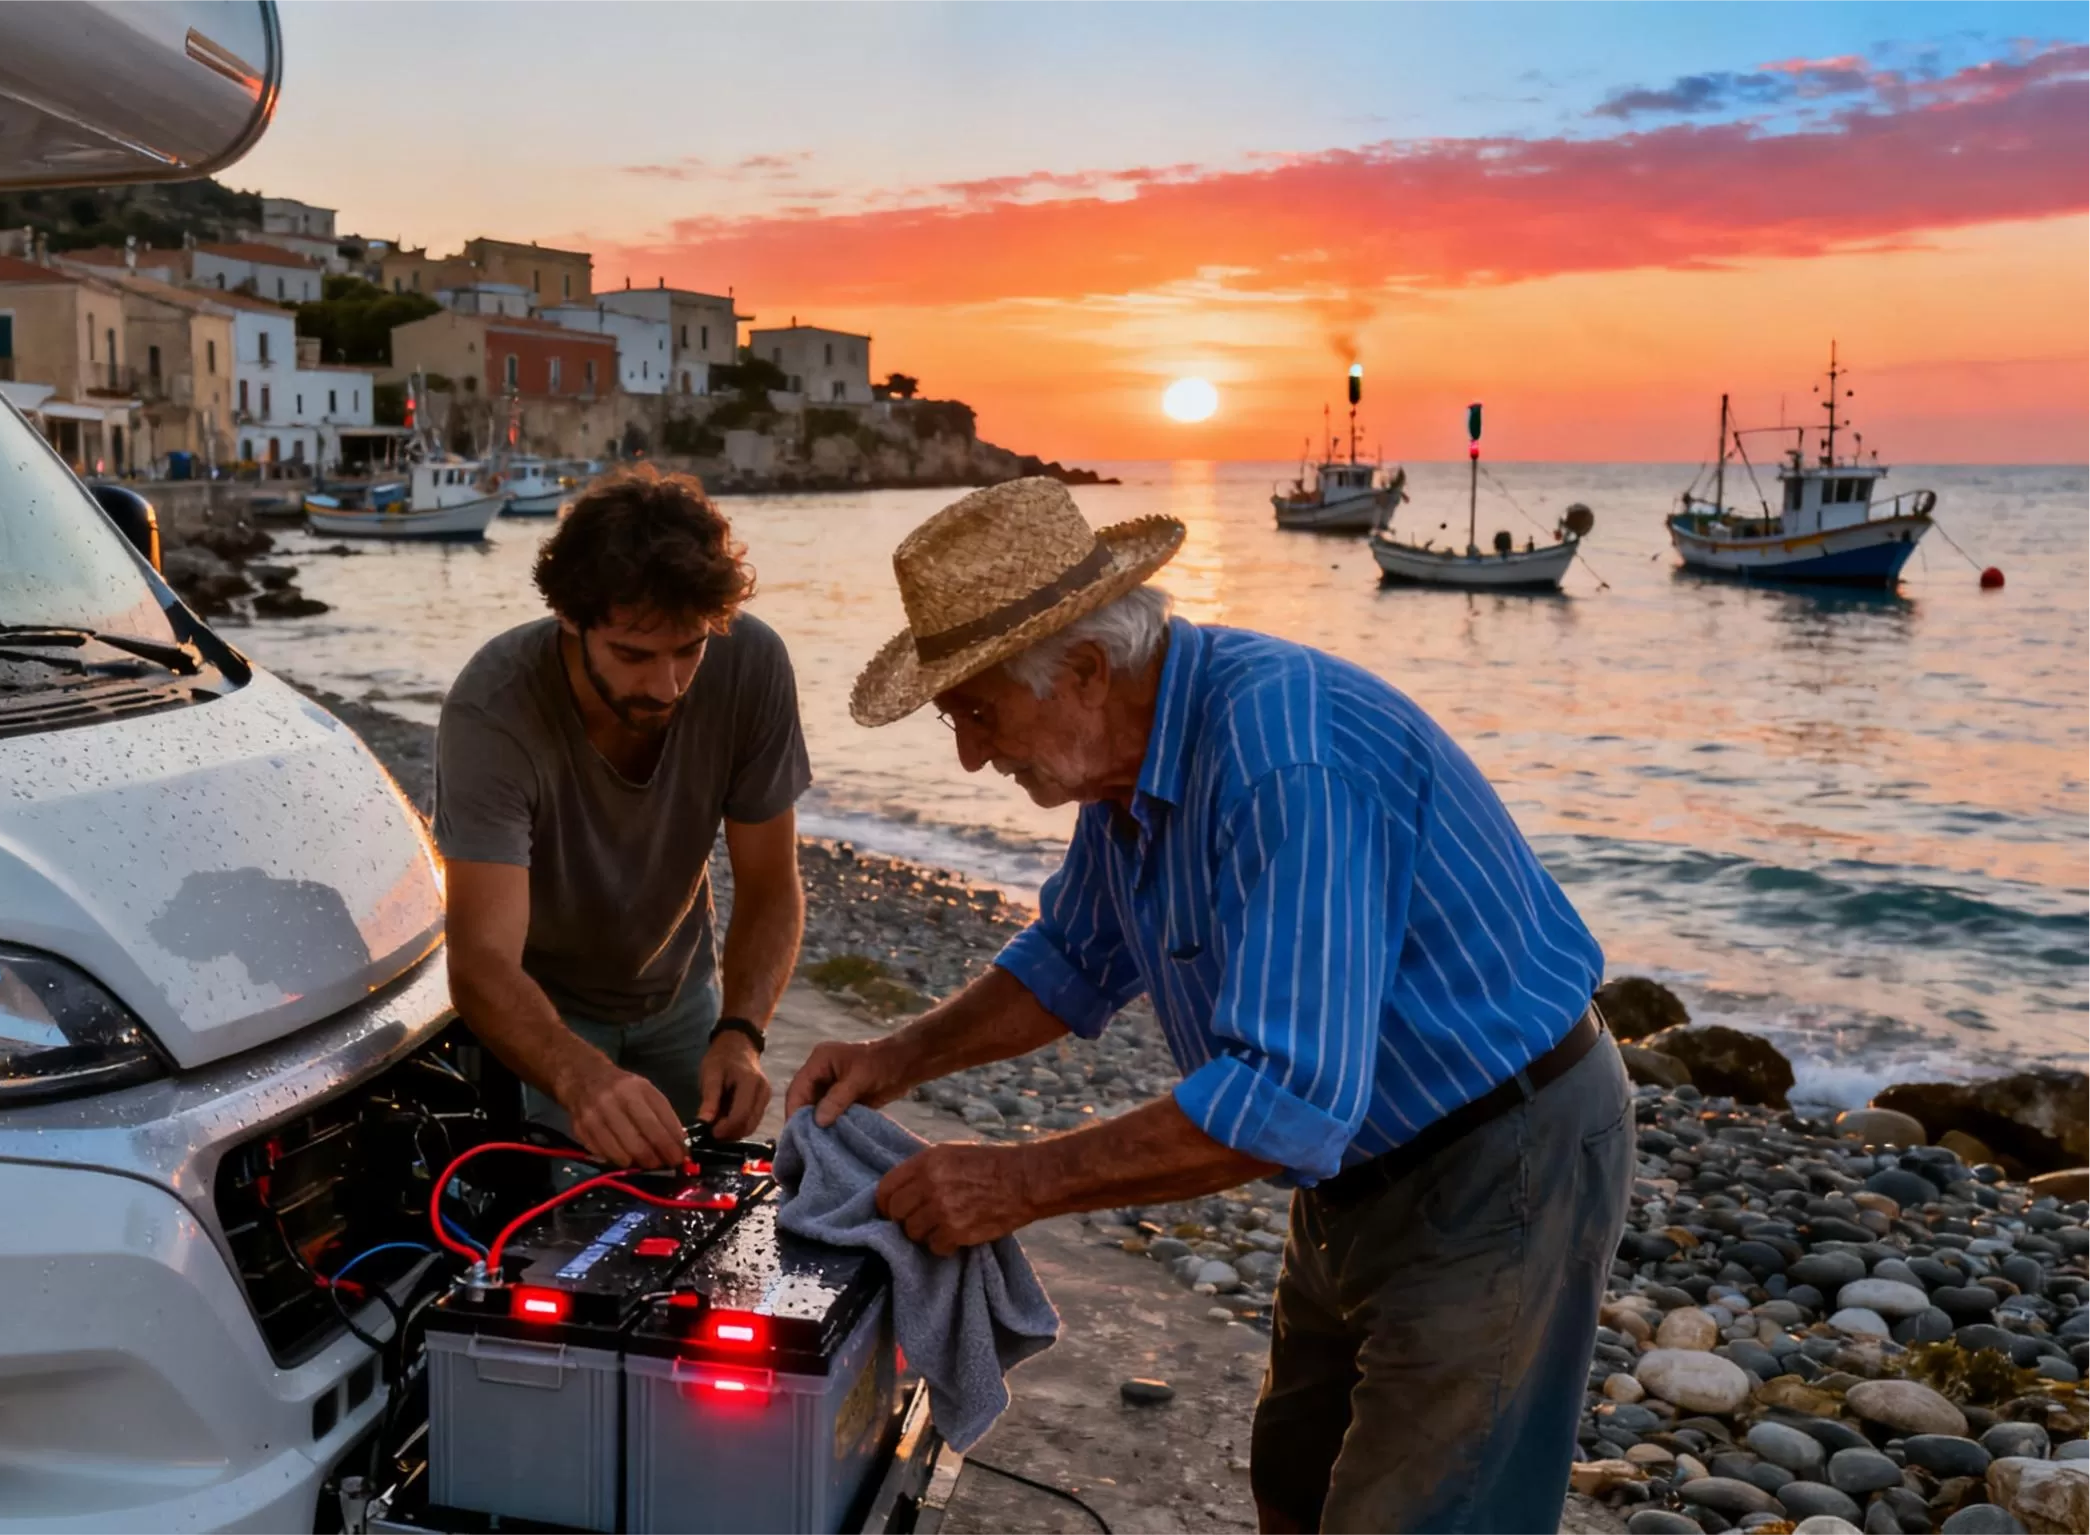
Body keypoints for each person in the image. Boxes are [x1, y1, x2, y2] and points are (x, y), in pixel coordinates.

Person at [786, 478, 1631, 1533]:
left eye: (975, 708)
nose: (968, 750)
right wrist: (894, 1057)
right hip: (1354, 1174)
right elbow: (1074, 956)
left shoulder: (1282, 760)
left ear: (1085, 669)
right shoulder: (1122, 760)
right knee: (1296, 1480)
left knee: (1427, 1511)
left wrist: (1016, 1180)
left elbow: (1283, 1096)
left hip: (1501, 1149)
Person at [436, 467, 809, 1168]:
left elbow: (769, 883)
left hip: (683, 994)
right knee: (563, 1234)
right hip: (544, 1009)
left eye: (690, 649)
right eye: (634, 655)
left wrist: (741, 1033)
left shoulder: (753, 662)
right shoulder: (493, 710)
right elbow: (481, 961)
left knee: (695, 1204)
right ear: (571, 618)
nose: (667, 685)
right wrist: (580, 1077)